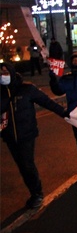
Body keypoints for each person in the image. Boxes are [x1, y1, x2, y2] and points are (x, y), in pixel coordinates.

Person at [1, 63, 67, 209]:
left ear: (12, 72)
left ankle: (37, 193)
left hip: (26, 135)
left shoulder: (27, 89)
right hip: (10, 136)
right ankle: (34, 190)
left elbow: (47, 102)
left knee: (27, 164)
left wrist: (66, 114)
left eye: (5, 71)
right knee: (21, 166)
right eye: (0, 72)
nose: (3, 75)